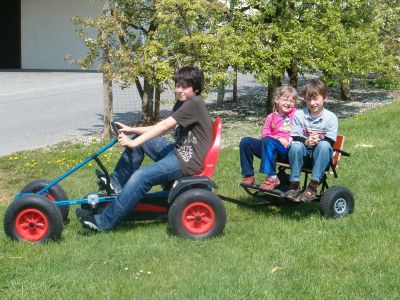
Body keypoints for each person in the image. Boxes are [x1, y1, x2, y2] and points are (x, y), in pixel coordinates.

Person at [76, 66, 212, 231]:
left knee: (141, 177)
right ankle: (116, 184)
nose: (179, 90)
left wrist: (133, 143)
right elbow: (160, 127)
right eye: (177, 86)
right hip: (178, 152)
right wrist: (132, 131)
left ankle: (103, 222)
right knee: (143, 142)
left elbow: (162, 127)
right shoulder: (184, 103)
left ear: (196, 88)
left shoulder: (194, 104)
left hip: (187, 161)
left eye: (185, 87)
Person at [284, 79, 338, 202]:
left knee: (324, 145)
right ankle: (295, 184)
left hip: (320, 157)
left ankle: (313, 185)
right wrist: (307, 141)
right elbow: (296, 135)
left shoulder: (331, 118)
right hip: (303, 155)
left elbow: (330, 141)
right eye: (308, 99)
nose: (312, 103)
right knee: (296, 145)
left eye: (315, 99)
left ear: (324, 98)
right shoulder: (299, 114)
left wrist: (317, 140)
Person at [239, 86, 298, 190]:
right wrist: (278, 137)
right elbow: (265, 134)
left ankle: (272, 176)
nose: (288, 103)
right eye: (285, 99)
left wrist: (289, 139)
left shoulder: (297, 115)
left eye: (292, 101)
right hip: (270, 147)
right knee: (246, 141)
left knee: (269, 141)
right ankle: (249, 175)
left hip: (287, 150)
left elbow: (300, 133)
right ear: (276, 99)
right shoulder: (271, 117)